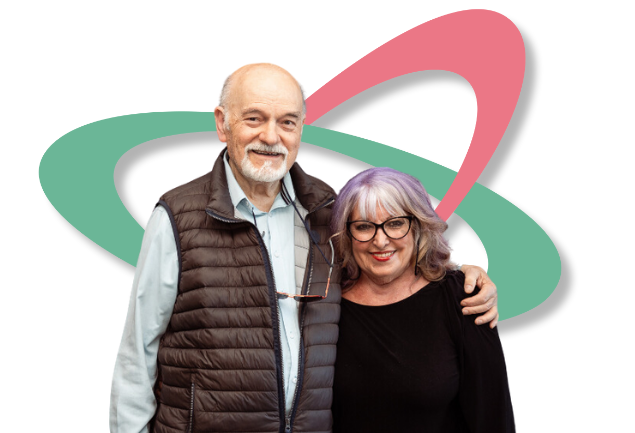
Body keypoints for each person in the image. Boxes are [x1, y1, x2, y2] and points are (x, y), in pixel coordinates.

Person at [110, 63, 500, 433]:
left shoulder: (326, 211)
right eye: (254, 118)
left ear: (300, 129)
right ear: (222, 123)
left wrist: (465, 276)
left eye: (287, 122)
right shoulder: (179, 217)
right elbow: (136, 357)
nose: (271, 137)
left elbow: (383, 264)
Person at [330, 167, 514, 433]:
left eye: (395, 224)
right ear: (346, 233)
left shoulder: (462, 299)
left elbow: (493, 419)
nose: (380, 241)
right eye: (364, 227)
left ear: (418, 226)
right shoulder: (325, 304)